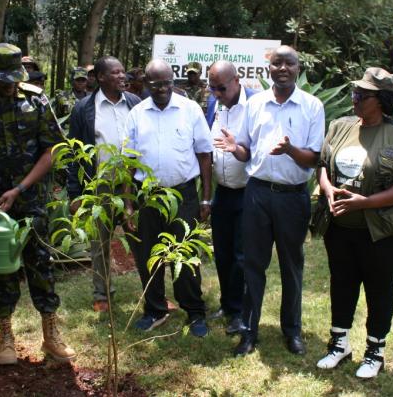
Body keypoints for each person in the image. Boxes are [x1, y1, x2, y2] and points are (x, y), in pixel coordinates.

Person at [0, 43, 76, 366]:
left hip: (31, 201)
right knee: (1, 272)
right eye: (2, 77)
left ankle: (51, 336)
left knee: (41, 266)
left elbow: (53, 151)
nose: (9, 84)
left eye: (14, 77)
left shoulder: (36, 99)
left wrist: (21, 188)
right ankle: (6, 338)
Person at [214, 45, 324, 357]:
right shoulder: (256, 104)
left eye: (289, 63)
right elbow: (247, 150)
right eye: (277, 63)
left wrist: (290, 150)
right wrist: (236, 148)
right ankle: (249, 333)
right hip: (258, 193)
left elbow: (313, 159)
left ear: (298, 68)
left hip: (292, 197)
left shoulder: (312, 106)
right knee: (253, 266)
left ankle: (292, 332)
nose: (283, 68)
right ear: (269, 69)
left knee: (292, 267)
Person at [315, 68, 393, 378]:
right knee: (342, 283)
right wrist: (327, 188)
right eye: (355, 93)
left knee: (379, 289)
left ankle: (375, 351)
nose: (355, 98)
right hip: (340, 228)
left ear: (381, 100)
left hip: (383, 232)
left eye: (363, 95)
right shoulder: (340, 126)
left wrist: (367, 203)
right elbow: (323, 165)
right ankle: (339, 344)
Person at [123, 59, 212, 337]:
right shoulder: (137, 113)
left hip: (183, 194)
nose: (162, 88)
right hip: (146, 196)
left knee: (185, 254)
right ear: (146, 84)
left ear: (174, 81)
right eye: (156, 84)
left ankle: (195, 312)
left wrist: (206, 198)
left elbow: (205, 154)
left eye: (167, 83)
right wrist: (127, 203)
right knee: (148, 255)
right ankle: (155, 310)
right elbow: (128, 161)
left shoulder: (190, 109)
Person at [66, 56, 142, 312]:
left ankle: (152, 293)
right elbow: (74, 154)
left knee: (141, 238)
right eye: (116, 73)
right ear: (100, 78)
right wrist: (75, 193)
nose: (123, 76)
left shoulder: (134, 103)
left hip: (133, 184)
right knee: (100, 243)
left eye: (123, 72)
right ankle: (102, 295)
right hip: (99, 186)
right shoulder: (84, 109)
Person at [204, 60, 257, 335]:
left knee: (242, 255)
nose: (216, 94)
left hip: (248, 192)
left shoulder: (256, 106)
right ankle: (227, 303)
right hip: (223, 191)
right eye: (212, 88)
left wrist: (237, 149)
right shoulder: (214, 105)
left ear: (237, 80)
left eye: (221, 88)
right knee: (223, 253)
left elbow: (257, 150)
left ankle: (241, 312)